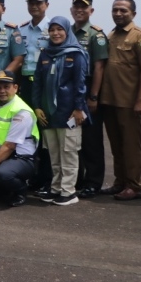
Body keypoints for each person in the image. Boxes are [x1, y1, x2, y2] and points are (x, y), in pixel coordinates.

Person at [99, 0, 141, 201]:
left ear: (133, 14)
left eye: (123, 10)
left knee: (130, 145)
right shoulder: (111, 35)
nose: (118, 14)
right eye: (115, 10)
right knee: (116, 145)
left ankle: (134, 185)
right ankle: (120, 181)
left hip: (128, 101)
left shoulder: (140, 36)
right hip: (109, 99)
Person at [31, 16, 88, 205]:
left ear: (67, 31)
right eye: (52, 30)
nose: (55, 33)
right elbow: (37, 81)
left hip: (69, 112)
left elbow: (80, 83)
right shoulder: (45, 53)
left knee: (68, 153)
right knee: (53, 154)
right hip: (48, 113)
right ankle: (56, 188)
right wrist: (37, 106)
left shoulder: (76, 53)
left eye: (59, 29)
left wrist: (79, 108)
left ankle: (69, 192)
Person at [0, 71, 40, 208]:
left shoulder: (21, 111)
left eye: (6, 87)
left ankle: (21, 191)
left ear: (15, 88)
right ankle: (2, 191)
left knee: (2, 175)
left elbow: (10, 145)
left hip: (19, 157)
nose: (2, 91)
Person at [71, 0, 109, 198]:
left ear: (91, 11)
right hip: (70, 88)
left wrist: (93, 96)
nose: (79, 10)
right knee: (72, 138)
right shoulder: (66, 31)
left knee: (91, 139)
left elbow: (99, 67)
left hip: (88, 87)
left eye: (84, 8)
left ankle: (93, 182)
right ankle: (76, 180)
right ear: (71, 10)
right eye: (76, 7)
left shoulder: (96, 35)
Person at [19, 0, 52, 194]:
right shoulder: (21, 29)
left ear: (46, 5)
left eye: (38, 3)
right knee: (26, 132)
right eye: (31, 3)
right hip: (25, 85)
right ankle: (30, 176)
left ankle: (46, 179)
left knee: (46, 133)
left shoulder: (54, 28)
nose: (34, 6)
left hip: (46, 85)